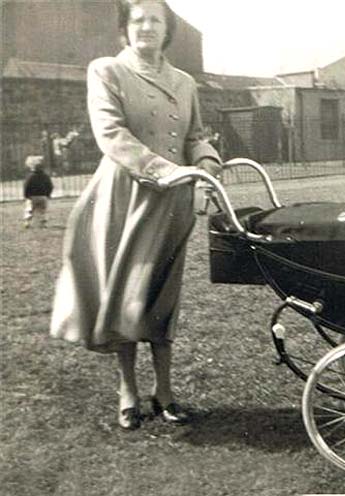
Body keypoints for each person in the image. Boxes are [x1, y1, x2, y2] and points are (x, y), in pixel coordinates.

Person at [50, 0, 222, 431]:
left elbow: (197, 136)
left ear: (168, 30)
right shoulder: (106, 70)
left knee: (162, 295)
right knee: (125, 293)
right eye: (137, 19)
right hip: (124, 197)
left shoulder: (185, 83)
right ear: (125, 28)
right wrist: (165, 170)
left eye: (155, 20)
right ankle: (127, 390)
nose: (146, 27)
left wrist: (204, 164)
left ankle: (164, 391)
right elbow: (111, 134)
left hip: (173, 204)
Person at [23, 155, 54, 228]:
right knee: (42, 211)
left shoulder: (30, 176)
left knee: (29, 209)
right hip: (43, 196)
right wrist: (48, 194)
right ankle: (42, 223)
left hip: (32, 196)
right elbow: (50, 186)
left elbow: (26, 186)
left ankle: (27, 222)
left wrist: (26, 195)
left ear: (33, 168)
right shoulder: (46, 176)